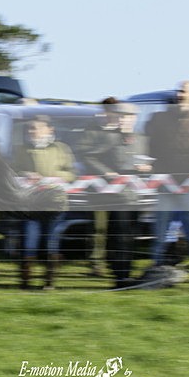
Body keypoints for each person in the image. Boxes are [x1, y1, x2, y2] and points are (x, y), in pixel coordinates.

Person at [145, 80, 189, 285]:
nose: (180, 95)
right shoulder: (160, 119)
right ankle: (155, 276)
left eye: (184, 91)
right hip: (165, 186)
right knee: (160, 234)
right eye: (179, 91)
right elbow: (152, 148)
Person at [78, 99, 150, 289]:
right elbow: (89, 156)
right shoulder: (108, 137)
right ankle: (121, 275)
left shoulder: (142, 138)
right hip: (116, 195)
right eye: (122, 116)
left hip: (137, 195)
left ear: (135, 119)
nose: (125, 120)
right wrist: (106, 172)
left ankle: (125, 271)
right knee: (120, 235)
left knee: (131, 235)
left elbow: (149, 161)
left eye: (129, 117)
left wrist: (147, 167)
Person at [13, 115, 76, 290]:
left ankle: (49, 282)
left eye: (38, 128)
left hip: (55, 204)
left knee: (51, 242)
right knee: (28, 241)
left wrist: (53, 179)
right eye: (31, 128)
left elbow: (71, 173)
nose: (33, 132)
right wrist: (25, 174)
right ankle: (25, 282)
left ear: (50, 130)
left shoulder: (61, 149)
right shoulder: (21, 149)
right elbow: (13, 170)